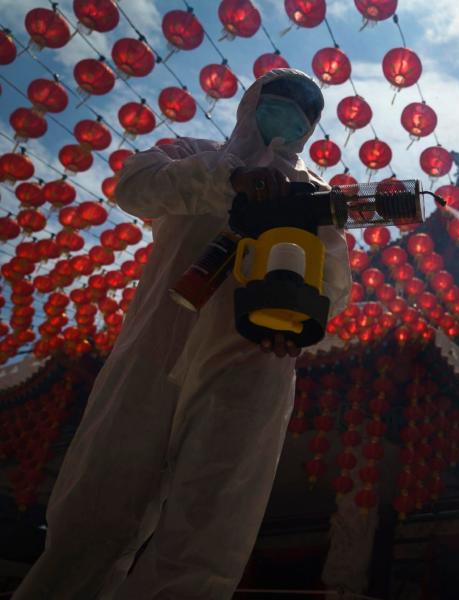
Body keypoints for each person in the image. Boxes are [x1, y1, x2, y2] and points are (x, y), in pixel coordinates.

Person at [13, 69, 350, 600]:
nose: (292, 115)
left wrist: (304, 327)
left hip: (253, 356)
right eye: (280, 100)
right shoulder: (192, 151)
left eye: (306, 110)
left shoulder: (316, 194)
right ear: (250, 104)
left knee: (210, 528)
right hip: (155, 340)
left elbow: (333, 283)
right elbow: (135, 186)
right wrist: (228, 178)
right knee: (98, 506)